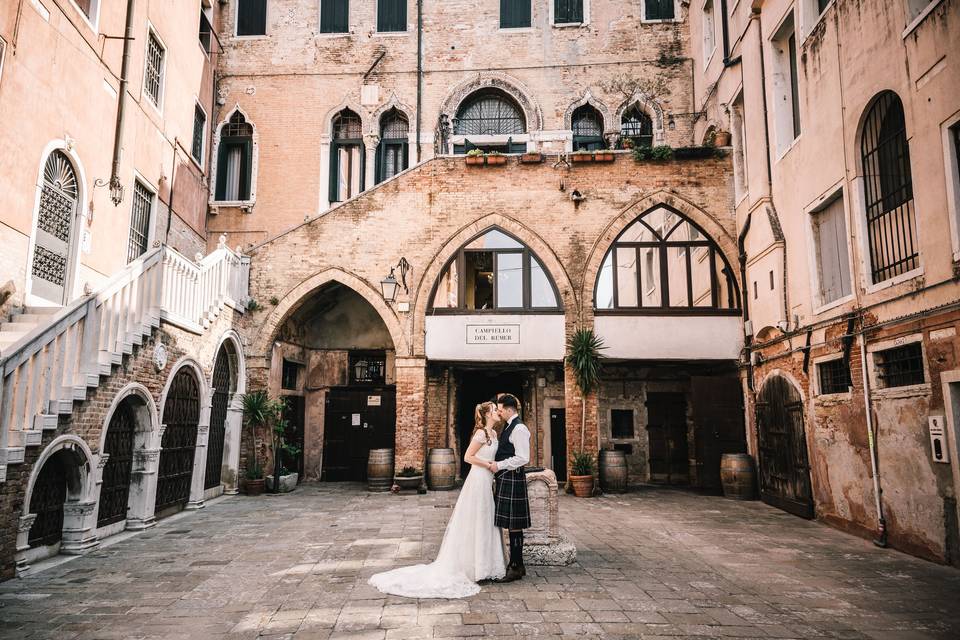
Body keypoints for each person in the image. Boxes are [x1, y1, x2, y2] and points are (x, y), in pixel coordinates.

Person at [367, 402, 506, 598]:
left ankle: (486, 565)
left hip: (487, 479)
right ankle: (475, 567)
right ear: (486, 415)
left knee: (486, 519)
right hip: (477, 479)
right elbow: (468, 457)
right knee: (477, 518)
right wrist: (488, 464)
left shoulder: (493, 434)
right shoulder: (481, 433)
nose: (498, 412)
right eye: (494, 410)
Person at [490, 393, 531, 583]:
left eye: (499, 410)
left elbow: (523, 458)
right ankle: (518, 565)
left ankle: (515, 566)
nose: (498, 413)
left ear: (508, 409)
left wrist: (499, 465)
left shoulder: (519, 428)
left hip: (512, 478)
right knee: (513, 526)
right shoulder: (509, 426)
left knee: (514, 525)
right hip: (508, 478)